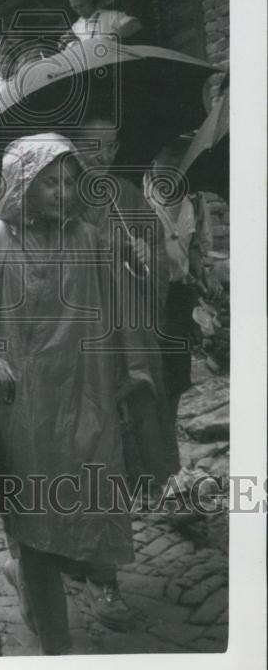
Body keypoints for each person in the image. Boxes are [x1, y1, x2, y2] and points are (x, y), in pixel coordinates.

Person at [0, 134, 168, 655]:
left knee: (91, 497)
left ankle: (55, 579)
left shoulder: (89, 238)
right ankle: (56, 641)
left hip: (87, 395)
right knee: (34, 507)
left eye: (70, 181)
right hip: (23, 399)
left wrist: (134, 265)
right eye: (50, 181)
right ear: (23, 183)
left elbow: (121, 315)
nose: (63, 192)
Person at [72, 116, 176, 629]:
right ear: (74, 148)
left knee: (126, 454)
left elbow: (159, 257)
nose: (103, 156)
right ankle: (97, 575)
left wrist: (146, 256)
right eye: (93, 146)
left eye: (111, 145)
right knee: (93, 457)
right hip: (85, 349)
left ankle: (93, 564)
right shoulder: (63, 197)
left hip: (130, 348)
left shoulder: (125, 194)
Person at [144, 139, 212, 469]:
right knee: (148, 378)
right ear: (154, 155)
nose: (173, 161)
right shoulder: (136, 199)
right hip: (145, 299)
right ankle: (148, 455)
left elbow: (195, 244)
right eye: (168, 152)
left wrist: (200, 275)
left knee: (174, 380)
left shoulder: (191, 198)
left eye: (179, 154)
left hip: (179, 298)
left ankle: (167, 452)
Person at [62, 0, 144, 46]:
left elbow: (135, 24)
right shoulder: (76, 27)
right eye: (75, 7)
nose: (79, 11)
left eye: (82, 5)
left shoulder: (110, 16)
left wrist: (112, 38)